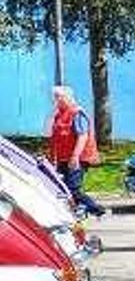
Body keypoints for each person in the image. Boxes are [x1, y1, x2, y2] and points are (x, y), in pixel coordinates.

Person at [46, 85, 105, 217]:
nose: (55, 101)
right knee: (60, 187)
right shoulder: (59, 115)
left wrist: (75, 157)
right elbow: (56, 137)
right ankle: (77, 210)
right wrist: (52, 157)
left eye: (58, 98)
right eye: (55, 98)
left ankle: (96, 209)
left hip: (77, 158)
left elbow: (82, 136)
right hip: (63, 158)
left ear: (67, 98)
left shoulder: (77, 113)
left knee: (73, 188)